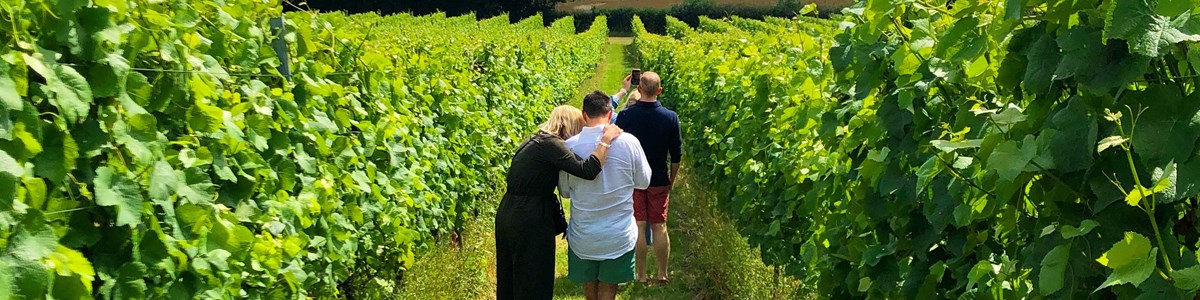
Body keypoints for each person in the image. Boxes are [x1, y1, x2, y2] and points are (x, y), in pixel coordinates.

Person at [495, 105, 623, 300]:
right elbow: (588, 170)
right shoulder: (551, 145)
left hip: (509, 211)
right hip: (529, 216)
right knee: (534, 277)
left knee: (511, 275)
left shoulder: (536, 140)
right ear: (570, 126)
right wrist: (605, 140)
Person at [559, 92, 651, 300]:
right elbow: (644, 182)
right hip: (618, 237)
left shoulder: (569, 146)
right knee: (609, 290)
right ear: (610, 115)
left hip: (583, 237)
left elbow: (564, 192)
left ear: (584, 115)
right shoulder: (630, 143)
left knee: (589, 289)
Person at [613, 71, 682, 286]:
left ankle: (641, 275)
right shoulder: (670, 117)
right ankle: (662, 273)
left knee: (638, 225)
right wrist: (672, 178)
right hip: (659, 177)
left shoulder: (626, 116)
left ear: (639, 90)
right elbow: (676, 154)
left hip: (633, 179)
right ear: (659, 91)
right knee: (659, 225)